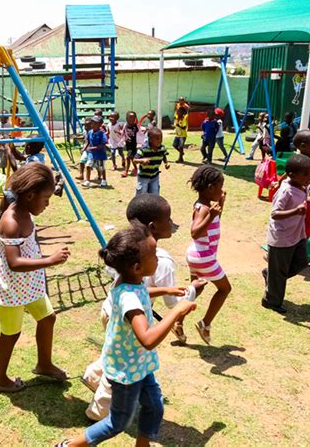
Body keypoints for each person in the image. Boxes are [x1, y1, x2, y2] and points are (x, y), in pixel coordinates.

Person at [57, 223, 196, 446]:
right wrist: (176, 311)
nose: (158, 258)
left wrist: (165, 290)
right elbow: (148, 339)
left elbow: (140, 291)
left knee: (154, 406)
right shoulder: (129, 299)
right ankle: (71, 445)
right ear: (137, 267)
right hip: (126, 371)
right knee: (117, 422)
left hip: (139, 364)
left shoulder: (128, 281)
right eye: (154, 255)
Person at [82, 194, 203, 421]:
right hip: (129, 317)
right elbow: (162, 317)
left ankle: (92, 375)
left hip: (111, 310)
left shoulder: (123, 248)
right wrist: (192, 292)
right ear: (153, 226)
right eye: (168, 218)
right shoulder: (161, 260)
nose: (172, 222)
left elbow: (137, 291)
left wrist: (166, 289)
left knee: (115, 350)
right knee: (121, 370)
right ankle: (98, 413)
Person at [0, 163, 70, 392]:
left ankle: (44, 364)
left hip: (29, 285)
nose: (47, 203)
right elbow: (14, 263)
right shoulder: (11, 222)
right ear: (30, 195)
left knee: (47, 318)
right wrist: (49, 260)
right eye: (46, 198)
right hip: (11, 289)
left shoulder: (25, 213)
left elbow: (31, 245)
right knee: (10, 334)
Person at [183, 165, 232, 344]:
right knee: (225, 289)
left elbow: (214, 221)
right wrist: (210, 215)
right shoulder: (204, 209)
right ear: (210, 188)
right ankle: (205, 324)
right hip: (204, 256)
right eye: (220, 187)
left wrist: (221, 204)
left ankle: (177, 321)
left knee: (196, 288)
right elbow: (195, 232)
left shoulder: (205, 206)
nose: (222, 190)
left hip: (196, 254)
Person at [262, 154, 310, 314]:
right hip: (282, 237)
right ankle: (271, 301)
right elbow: (275, 214)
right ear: (292, 175)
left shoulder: (301, 186)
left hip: (297, 234)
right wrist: (295, 211)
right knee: (280, 272)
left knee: (301, 262)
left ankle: (271, 275)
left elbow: (303, 201)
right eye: (305, 174)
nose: (309, 177)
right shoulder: (285, 191)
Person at [133, 128, 169, 195]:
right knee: (141, 195)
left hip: (155, 176)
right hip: (143, 176)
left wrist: (166, 163)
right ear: (150, 140)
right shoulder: (143, 149)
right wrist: (142, 160)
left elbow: (164, 155)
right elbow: (134, 160)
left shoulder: (162, 148)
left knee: (155, 194)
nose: (160, 141)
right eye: (157, 139)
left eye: (161, 138)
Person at [82, 116, 108, 188]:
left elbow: (103, 144)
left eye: (95, 124)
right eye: (92, 123)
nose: (93, 125)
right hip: (92, 154)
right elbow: (88, 141)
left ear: (100, 125)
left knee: (101, 168)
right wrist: (84, 148)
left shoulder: (101, 133)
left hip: (100, 154)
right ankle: (87, 181)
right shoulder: (90, 132)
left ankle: (104, 180)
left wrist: (94, 148)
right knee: (88, 166)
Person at [122, 111, 139, 178]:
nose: (132, 119)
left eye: (134, 117)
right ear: (127, 118)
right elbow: (124, 132)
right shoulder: (125, 125)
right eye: (130, 117)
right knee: (132, 158)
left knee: (128, 157)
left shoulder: (135, 126)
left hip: (133, 145)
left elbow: (137, 133)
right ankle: (136, 169)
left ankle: (126, 171)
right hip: (128, 145)